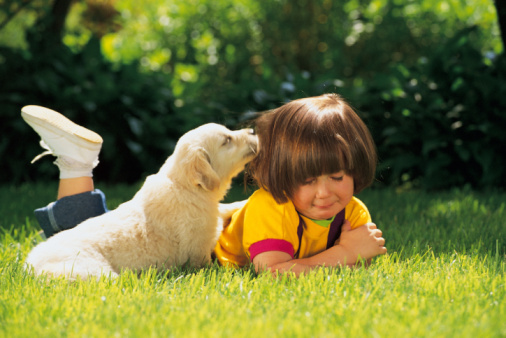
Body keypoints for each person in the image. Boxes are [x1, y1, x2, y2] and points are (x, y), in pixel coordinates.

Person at [22, 93, 386, 275]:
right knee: (78, 235)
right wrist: (345, 255)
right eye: (308, 179)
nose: (325, 192)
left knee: (86, 227)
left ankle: (76, 163)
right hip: (189, 251)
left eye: (337, 177)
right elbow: (273, 274)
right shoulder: (263, 209)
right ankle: (76, 163)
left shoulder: (346, 208)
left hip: (151, 231)